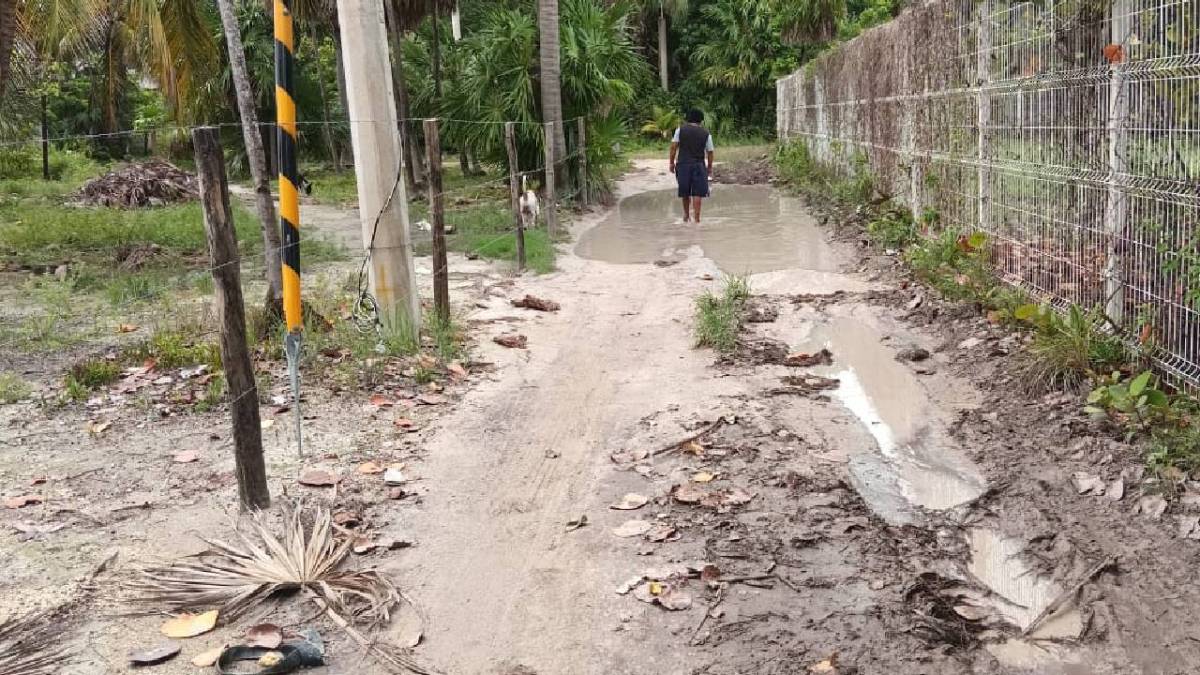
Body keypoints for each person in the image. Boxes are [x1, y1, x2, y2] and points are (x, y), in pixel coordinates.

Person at [668, 108, 715, 223]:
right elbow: (710, 152)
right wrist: (709, 167)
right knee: (697, 193)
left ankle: (686, 216)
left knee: (685, 191)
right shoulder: (706, 134)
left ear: (688, 119)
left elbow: (674, 147)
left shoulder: (680, 130)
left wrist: (671, 162)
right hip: (699, 165)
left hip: (683, 164)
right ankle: (697, 220)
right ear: (701, 120)